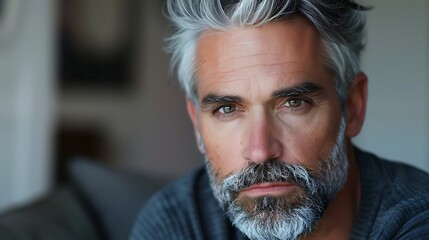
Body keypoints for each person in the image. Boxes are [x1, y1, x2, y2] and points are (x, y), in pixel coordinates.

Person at [130, 0, 429, 239]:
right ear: (196, 122)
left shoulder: (417, 220)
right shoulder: (178, 223)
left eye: (294, 103)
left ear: (352, 107)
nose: (260, 151)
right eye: (227, 109)